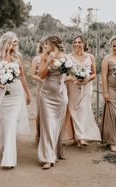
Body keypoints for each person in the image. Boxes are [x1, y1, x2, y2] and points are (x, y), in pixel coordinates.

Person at [0, 31, 31, 168]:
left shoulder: (18, 56)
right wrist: (0, 84)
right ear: (7, 42)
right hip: (3, 94)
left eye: (16, 42)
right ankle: (5, 144)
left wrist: (28, 93)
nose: (16, 45)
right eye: (14, 42)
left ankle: (8, 158)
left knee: (12, 122)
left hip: (17, 93)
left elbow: (23, 77)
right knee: (5, 123)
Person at [38, 36, 69, 169]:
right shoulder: (45, 56)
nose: (45, 46)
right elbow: (41, 74)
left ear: (53, 44)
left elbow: (68, 74)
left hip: (60, 95)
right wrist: (49, 61)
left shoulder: (66, 57)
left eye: (47, 43)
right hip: (46, 95)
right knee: (47, 126)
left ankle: (54, 152)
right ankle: (47, 158)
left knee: (56, 125)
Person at [64, 35, 101, 147]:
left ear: (84, 44)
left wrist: (86, 79)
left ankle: (82, 137)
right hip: (73, 87)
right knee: (74, 109)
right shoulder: (68, 57)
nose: (77, 44)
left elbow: (94, 74)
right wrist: (74, 79)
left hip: (87, 87)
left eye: (79, 42)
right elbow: (65, 75)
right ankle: (78, 136)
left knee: (85, 109)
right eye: (75, 42)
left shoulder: (90, 57)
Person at [31, 37, 45, 144]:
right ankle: (38, 133)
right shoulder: (37, 59)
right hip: (41, 87)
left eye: (48, 44)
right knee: (40, 111)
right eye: (44, 44)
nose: (45, 46)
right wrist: (42, 81)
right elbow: (33, 75)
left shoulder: (55, 59)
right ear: (41, 46)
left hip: (53, 89)